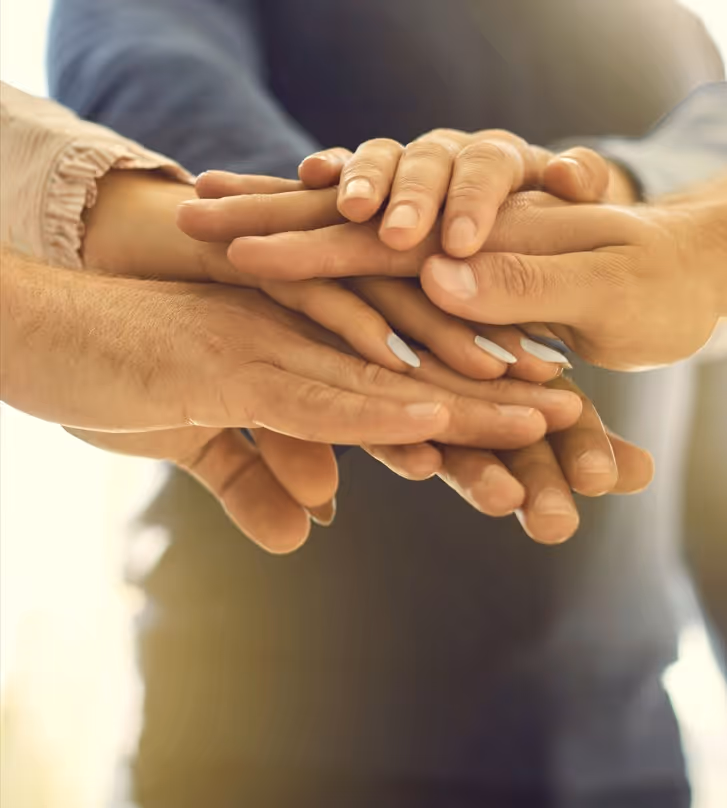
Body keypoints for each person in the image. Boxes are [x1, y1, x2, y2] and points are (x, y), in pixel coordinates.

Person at [47, 1, 724, 806]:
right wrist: (362, 244)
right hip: (273, 740)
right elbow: (145, 85)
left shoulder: (662, 26)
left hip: (622, 749)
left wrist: (612, 197)